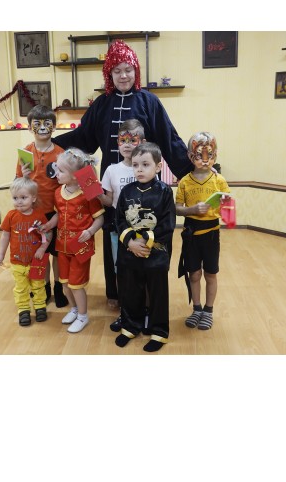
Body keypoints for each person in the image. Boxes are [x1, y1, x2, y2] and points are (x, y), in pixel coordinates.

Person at [52, 39, 193, 306]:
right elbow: (83, 138)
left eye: (128, 69)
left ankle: (146, 293)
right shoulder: (101, 104)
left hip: (144, 184)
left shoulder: (149, 101)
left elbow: (168, 138)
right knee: (113, 236)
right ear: (109, 74)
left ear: (135, 70)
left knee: (143, 232)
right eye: (116, 71)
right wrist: (52, 145)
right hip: (111, 183)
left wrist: (192, 171)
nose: (123, 75)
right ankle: (116, 293)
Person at [114, 142, 176, 352]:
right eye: (135, 165)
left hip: (155, 253)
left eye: (145, 164)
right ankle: (130, 326)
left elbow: (168, 224)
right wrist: (131, 242)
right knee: (130, 291)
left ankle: (159, 331)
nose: (139, 169)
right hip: (130, 252)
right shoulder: (126, 191)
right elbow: (119, 219)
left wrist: (146, 243)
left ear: (158, 167)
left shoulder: (164, 192)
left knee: (157, 294)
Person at [43, 147, 105, 333]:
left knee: (76, 284)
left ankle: (83, 316)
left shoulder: (88, 194)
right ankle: (74, 309)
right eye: (57, 168)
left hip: (80, 247)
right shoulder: (57, 192)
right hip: (62, 247)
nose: (57, 173)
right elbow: (58, 214)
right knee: (64, 282)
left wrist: (90, 231)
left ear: (76, 176)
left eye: (61, 171)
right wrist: (48, 225)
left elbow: (100, 218)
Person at [175, 131, 231, 330]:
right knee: (194, 273)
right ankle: (197, 308)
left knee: (210, 273)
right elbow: (177, 208)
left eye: (210, 155)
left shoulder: (219, 180)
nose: (205, 160)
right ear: (191, 156)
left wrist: (225, 204)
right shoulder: (184, 181)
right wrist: (191, 210)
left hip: (211, 234)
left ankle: (208, 310)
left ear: (215, 155)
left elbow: (229, 213)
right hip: (191, 233)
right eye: (199, 155)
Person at [16, 104, 68, 308]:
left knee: (57, 253)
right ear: (30, 127)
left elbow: (67, 183)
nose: (43, 128)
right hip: (34, 212)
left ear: (54, 126)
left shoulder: (61, 154)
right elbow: (17, 185)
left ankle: (59, 287)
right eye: (37, 124)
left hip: (56, 212)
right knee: (41, 253)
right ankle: (43, 287)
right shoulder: (25, 153)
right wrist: (24, 177)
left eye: (48, 123)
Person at [97, 119, 145, 331]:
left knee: (142, 267)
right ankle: (125, 310)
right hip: (119, 225)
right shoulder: (111, 170)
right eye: (122, 140)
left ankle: (143, 309)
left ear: (141, 141)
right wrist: (93, 191)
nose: (127, 144)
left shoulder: (144, 167)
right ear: (117, 143)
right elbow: (109, 201)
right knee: (121, 269)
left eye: (132, 140)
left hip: (142, 225)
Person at [0, 177, 52, 326]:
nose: (19, 202)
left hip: (36, 261)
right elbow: (5, 236)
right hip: (17, 262)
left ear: (33, 198)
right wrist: (1, 254)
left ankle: (40, 307)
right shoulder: (11, 216)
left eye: (23, 197)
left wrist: (42, 248)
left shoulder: (39, 215)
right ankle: (23, 310)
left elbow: (48, 234)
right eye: (15, 198)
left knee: (38, 285)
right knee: (20, 288)